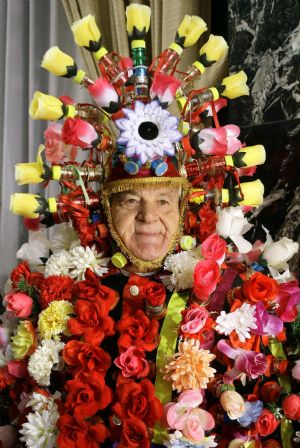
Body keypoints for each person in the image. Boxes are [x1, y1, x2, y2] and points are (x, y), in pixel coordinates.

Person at [4, 4, 300, 448]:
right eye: (130, 200)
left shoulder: (231, 296)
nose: (148, 217)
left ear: (186, 207)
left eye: (164, 199)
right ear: (103, 205)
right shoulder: (64, 293)